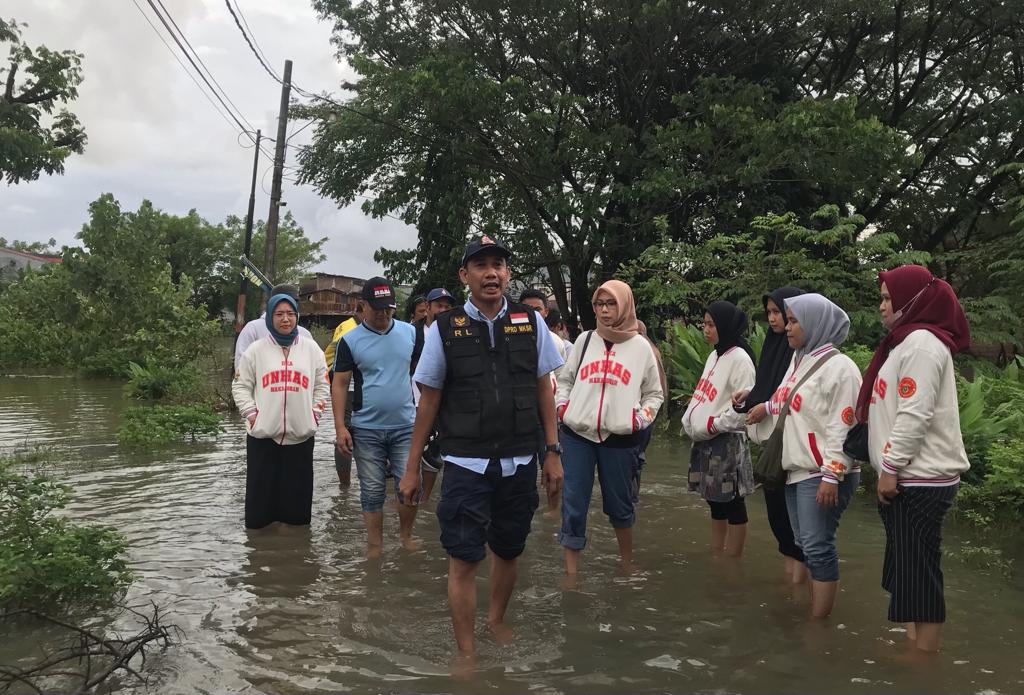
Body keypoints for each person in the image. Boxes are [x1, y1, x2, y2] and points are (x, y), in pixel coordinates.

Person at [397, 234, 565, 662]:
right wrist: (412, 467)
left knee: (510, 550)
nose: (492, 273)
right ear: (465, 275)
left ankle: (496, 620)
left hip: (520, 458)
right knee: (463, 559)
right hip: (465, 461)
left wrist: (552, 451)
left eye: (499, 265)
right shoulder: (444, 328)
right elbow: (429, 398)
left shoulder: (531, 322)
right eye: (481, 265)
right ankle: (467, 654)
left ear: (507, 273)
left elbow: (544, 388)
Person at [857, 265, 971, 652]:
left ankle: (923, 662)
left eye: (888, 298)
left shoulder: (922, 344)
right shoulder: (904, 343)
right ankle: (913, 645)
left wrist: (889, 468)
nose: (882, 306)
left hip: (919, 479)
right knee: (908, 572)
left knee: (920, 575)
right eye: (882, 298)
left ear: (913, 299)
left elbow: (914, 414)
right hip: (908, 476)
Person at [750, 293, 861, 619]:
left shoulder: (841, 368)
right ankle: (813, 607)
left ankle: (818, 622)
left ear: (815, 323)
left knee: (816, 545)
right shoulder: (799, 361)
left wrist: (832, 474)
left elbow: (844, 424)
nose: (787, 327)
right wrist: (763, 406)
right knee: (804, 542)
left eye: (795, 320)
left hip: (821, 472)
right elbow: (787, 400)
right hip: (795, 471)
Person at [555, 280, 664, 579]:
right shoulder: (585, 341)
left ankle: (626, 563)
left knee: (620, 504)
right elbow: (564, 381)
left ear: (625, 305)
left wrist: (639, 419)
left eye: (611, 303)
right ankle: (571, 575)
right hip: (578, 434)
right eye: (599, 304)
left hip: (620, 438)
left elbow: (654, 394)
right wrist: (563, 408)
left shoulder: (641, 348)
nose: (604, 310)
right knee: (574, 502)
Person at [332, 276, 418, 556]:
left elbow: (425, 377)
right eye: (377, 308)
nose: (383, 314)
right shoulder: (349, 341)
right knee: (372, 490)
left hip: (406, 425)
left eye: (388, 308)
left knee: (407, 488)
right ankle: (375, 546)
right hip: (366, 428)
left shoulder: (411, 333)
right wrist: (340, 428)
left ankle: (405, 537)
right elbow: (340, 384)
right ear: (362, 306)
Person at [232, 293, 330, 529]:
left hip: (300, 436)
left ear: (296, 316)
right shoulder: (256, 350)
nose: (285, 319)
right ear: (270, 318)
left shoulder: (311, 349)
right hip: (263, 436)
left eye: (290, 314)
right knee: (259, 513)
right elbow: (240, 386)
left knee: (297, 514)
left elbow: (322, 385)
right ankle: (259, 555)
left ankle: (294, 555)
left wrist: (314, 415)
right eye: (279, 314)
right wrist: (252, 415)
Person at [732, 287, 808, 581]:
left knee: (796, 525)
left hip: (793, 446)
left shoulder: (801, 351)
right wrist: (751, 395)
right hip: (773, 444)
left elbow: (792, 390)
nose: (776, 321)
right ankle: (792, 584)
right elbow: (772, 384)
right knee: (778, 517)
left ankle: (800, 586)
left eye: (781, 314)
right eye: (771, 314)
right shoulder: (774, 346)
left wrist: (767, 405)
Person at [682, 301, 756, 557]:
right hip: (705, 438)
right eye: (704, 324)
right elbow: (704, 394)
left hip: (727, 440)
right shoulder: (715, 355)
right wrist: (690, 419)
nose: (706, 329)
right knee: (713, 499)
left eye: (711, 325)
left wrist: (714, 424)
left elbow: (743, 409)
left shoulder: (740, 359)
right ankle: (717, 550)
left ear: (725, 326)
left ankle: (733, 556)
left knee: (733, 500)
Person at [411, 287, 455, 501]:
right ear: (427, 307)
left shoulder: (456, 333)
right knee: (412, 452)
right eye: (439, 305)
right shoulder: (412, 333)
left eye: (448, 306)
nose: (443, 310)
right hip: (413, 403)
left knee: (434, 454)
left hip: (444, 405)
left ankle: (425, 500)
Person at [233, 284, 313, 371]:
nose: (288, 305)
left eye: (293, 302)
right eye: (282, 302)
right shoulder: (253, 329)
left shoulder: (305, 334)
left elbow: (314, 368)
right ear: (272, 304)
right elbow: (241, 365)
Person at [324, 306, 361, 486]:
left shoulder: (349, 325)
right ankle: (345, 485)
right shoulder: (350, 329)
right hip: (349, 389)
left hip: (359, 388)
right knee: (345, 434)